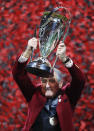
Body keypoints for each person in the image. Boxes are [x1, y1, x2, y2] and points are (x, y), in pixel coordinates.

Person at [12, 37, 85, 131]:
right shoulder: (34, 94)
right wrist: (27, 52)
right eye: (44, 81)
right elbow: (18, 75)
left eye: (51, 81)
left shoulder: (68, 96)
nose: (47, 85)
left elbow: (80, 80)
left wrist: (65, 59)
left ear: (60, 83)